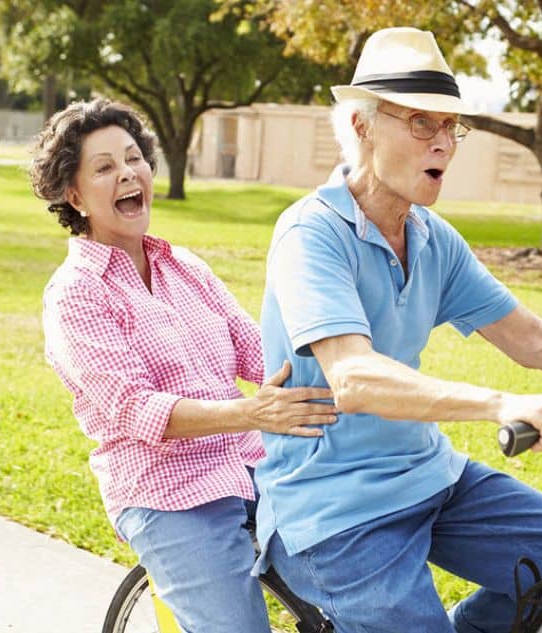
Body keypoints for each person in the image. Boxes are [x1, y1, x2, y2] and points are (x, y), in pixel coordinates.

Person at [254, 27, 542, 633]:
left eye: (451, 126)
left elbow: (533, 337)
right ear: (362, 125)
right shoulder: (311, 234)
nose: (443, 141)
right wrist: (504, 404)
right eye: (422, 122)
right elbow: (354, 378)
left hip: (428, 477)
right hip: (335, 509)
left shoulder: (430, 237)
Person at [33, 98, 338, 633]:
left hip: (251, 469)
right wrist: (251, 413)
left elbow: (260, 351)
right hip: (167, 494)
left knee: (361, 577)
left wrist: (343, 370)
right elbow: (134, 408)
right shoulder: (75, 294)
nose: (127, 174)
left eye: (133, 159)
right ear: (74, 195)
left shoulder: (184, 267)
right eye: (104, 167)